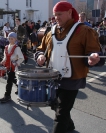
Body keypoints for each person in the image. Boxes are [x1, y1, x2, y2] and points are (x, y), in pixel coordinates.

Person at [34, 2, 105, 133]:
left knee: (60, 113)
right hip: (53, 78)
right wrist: (39, 57)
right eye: (55, 15)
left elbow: (95, 53)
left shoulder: (84, 31)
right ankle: (70, 125)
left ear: (69, 13)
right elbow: (40, 49)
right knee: (56, 106)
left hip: (72, 79)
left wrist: (94, 57)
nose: (56, 18)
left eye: (59, 14)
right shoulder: (51, 31)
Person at [0, 32, 24, 103]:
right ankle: (21, 87)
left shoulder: (17, 48)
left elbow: (21, 58)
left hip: (13, 68)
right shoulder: (6, 47)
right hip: (7, 67)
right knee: (13, 80)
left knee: (9, 82)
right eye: (9, 38)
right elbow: (5, 57)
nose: (10, 40)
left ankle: (7, 96)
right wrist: (2, 61)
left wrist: (17, 63)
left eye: (12, 39)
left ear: (15, 39)